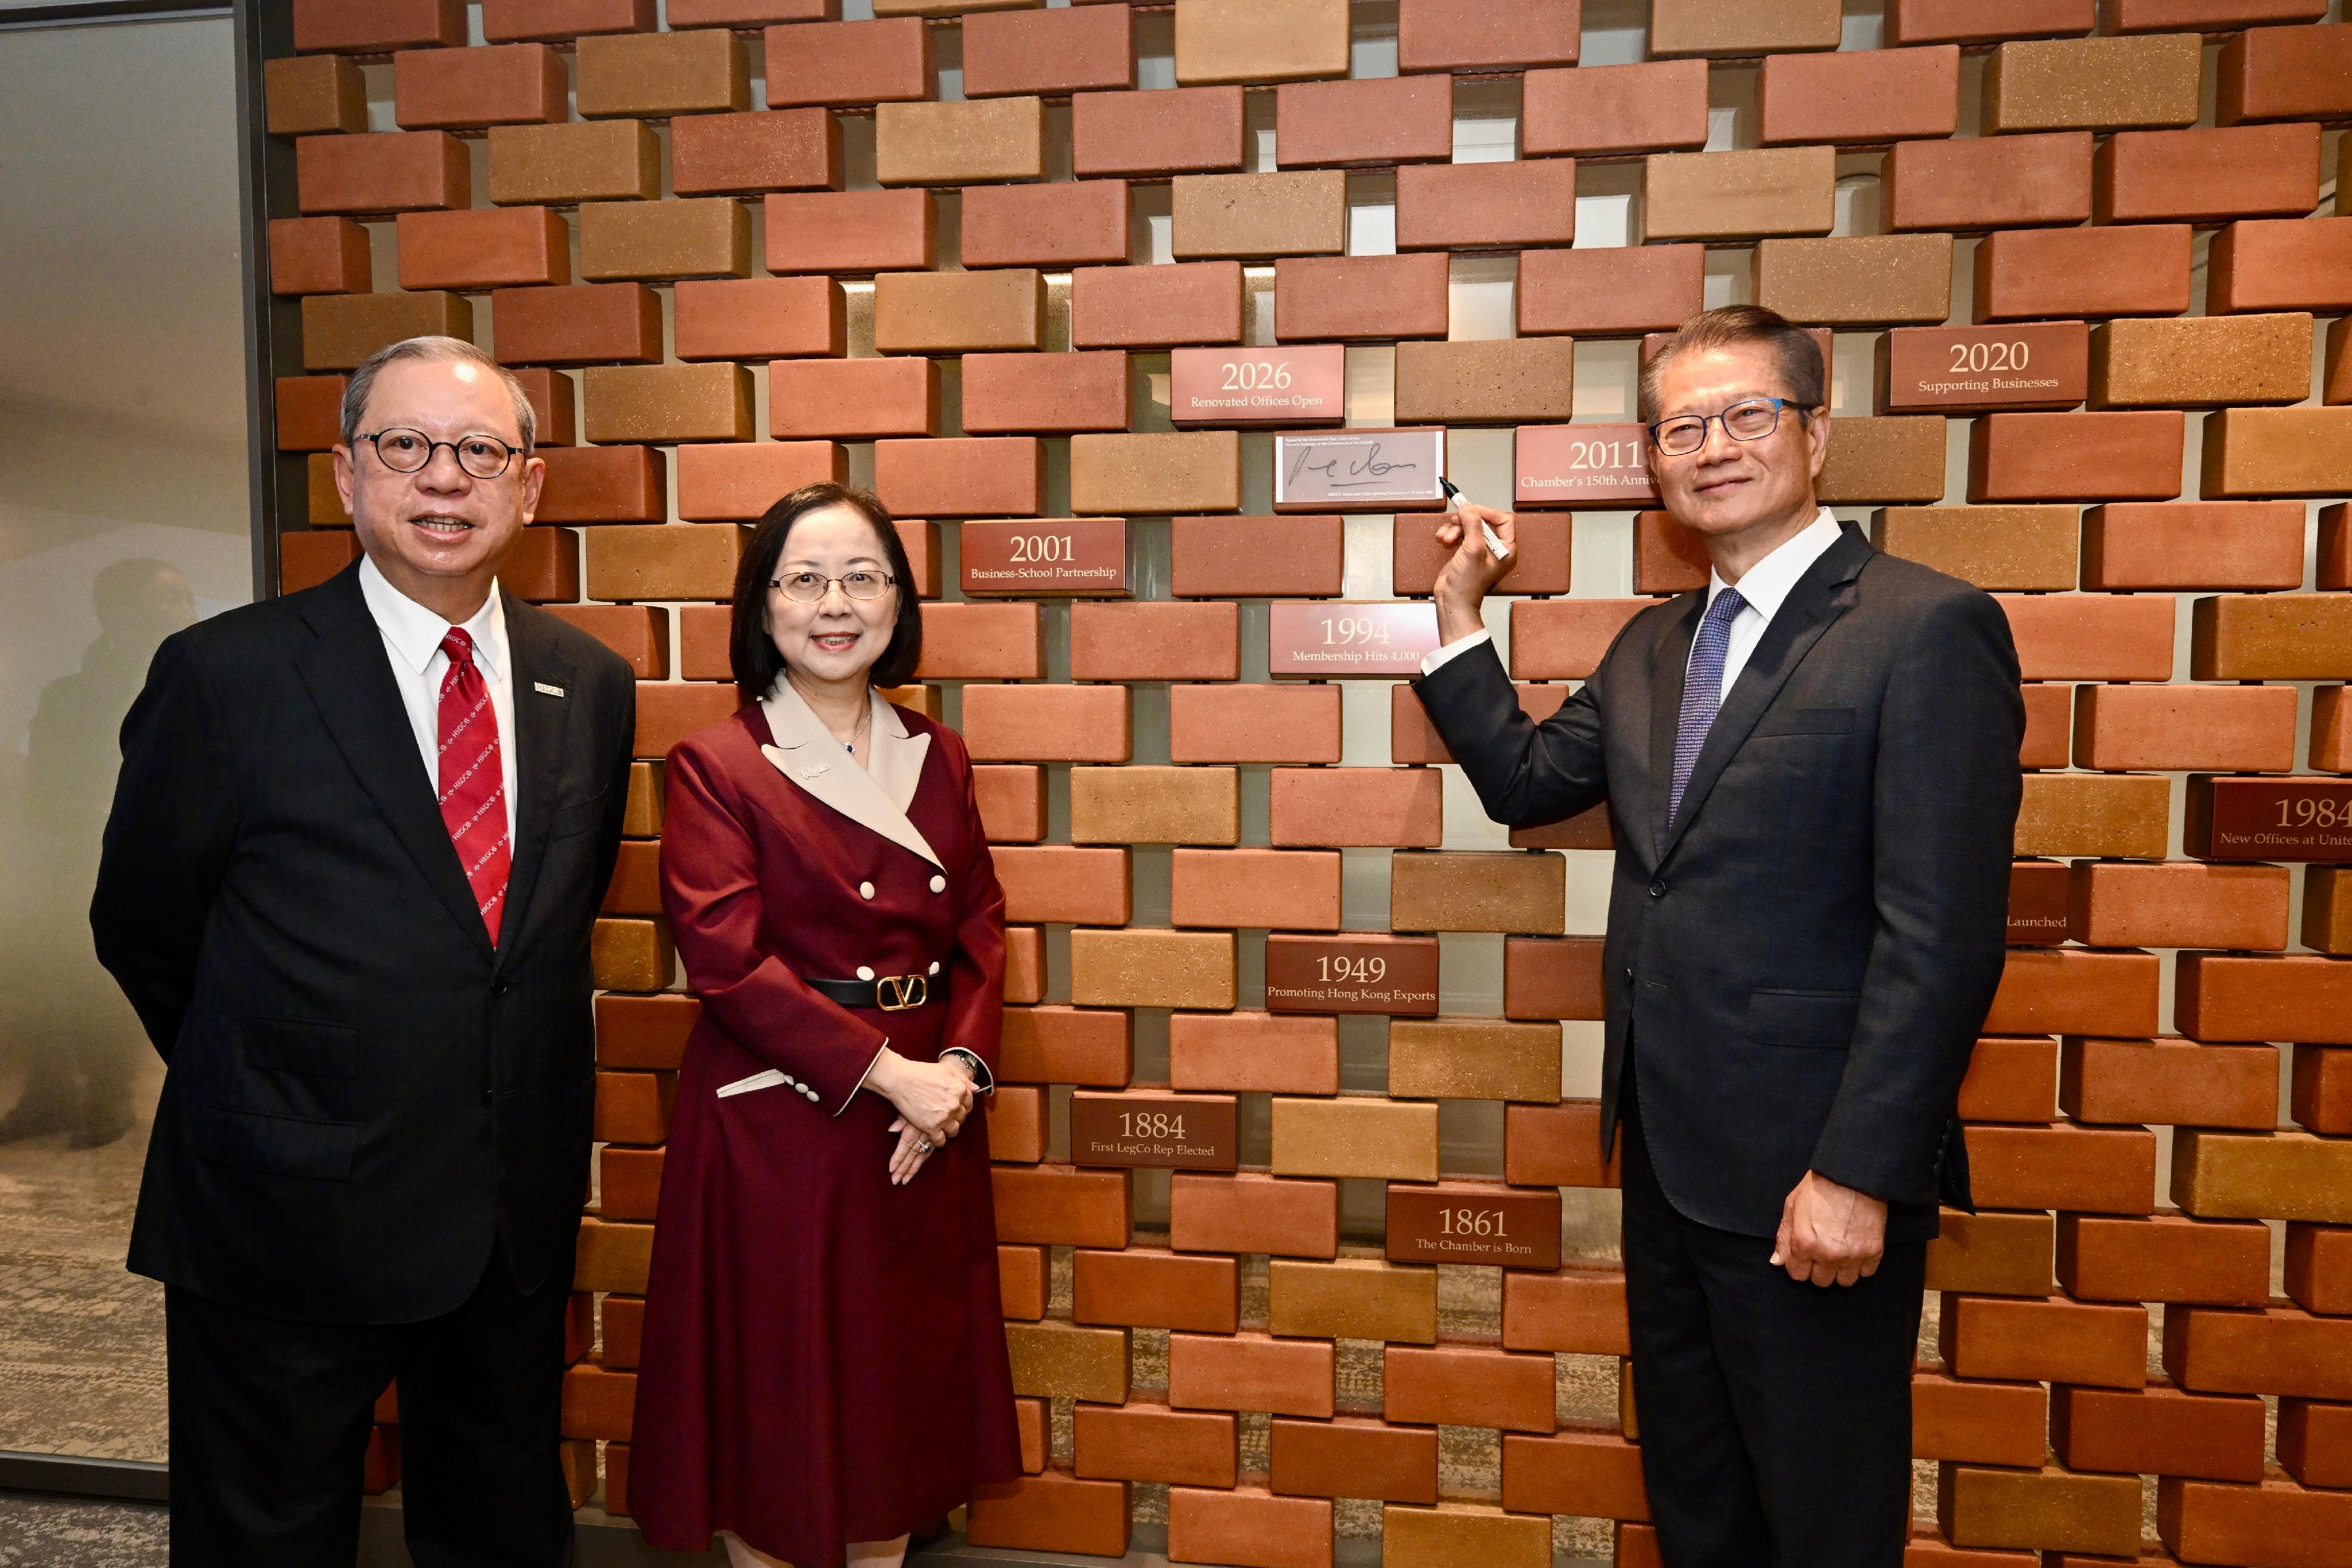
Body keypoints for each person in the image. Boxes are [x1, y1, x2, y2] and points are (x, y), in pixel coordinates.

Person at [1412, 306, 2023, 1566]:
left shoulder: (1922, 626)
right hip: (1667, 1163)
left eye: (1746, 413)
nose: (1712, 446)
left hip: (1814, 1180)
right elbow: (1528, 783)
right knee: (1697, 1502)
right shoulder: (1655, 643)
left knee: (1823, 1516)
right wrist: (1457, 611)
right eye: (1680, 425)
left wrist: (1858, 1170)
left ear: (1816, 434)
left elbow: (1941, 935)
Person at [91, 335, 635, 1566]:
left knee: (499, 1525)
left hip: (505, 1211)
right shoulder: (226, 674)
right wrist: (280, 1078)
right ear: (345, 474)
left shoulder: (586, 682)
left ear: (528, 485)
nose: (445, 479)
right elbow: (142, 922)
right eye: (407, 445)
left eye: (480, 451)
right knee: (266, 1532)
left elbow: (541, 926)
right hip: (282, 1205)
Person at [628, 482, 1020, 1568]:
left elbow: (981, 925)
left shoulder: (938, 753)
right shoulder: (720, 763)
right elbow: (726, 962)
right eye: (804, 579)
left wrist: (958, 1068)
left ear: (899, 600)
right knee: (782, 1410)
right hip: (784, 1121)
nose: (834, 603)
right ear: (763, 607)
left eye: (863, 576)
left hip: (924, 1120)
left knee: (892, 1402)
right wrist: (892, 1077)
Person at [6, 558, 194, 1149]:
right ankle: (54, 1094)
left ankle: (107, 1096)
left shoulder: (205, 680)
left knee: (118, 976)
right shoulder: (72, 696)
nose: (186, 611)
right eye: (169, 599)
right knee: (59, 972)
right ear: (119, 612)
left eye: (186, 597)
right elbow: (47, 789)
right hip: (91, 856)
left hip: (179, 861)